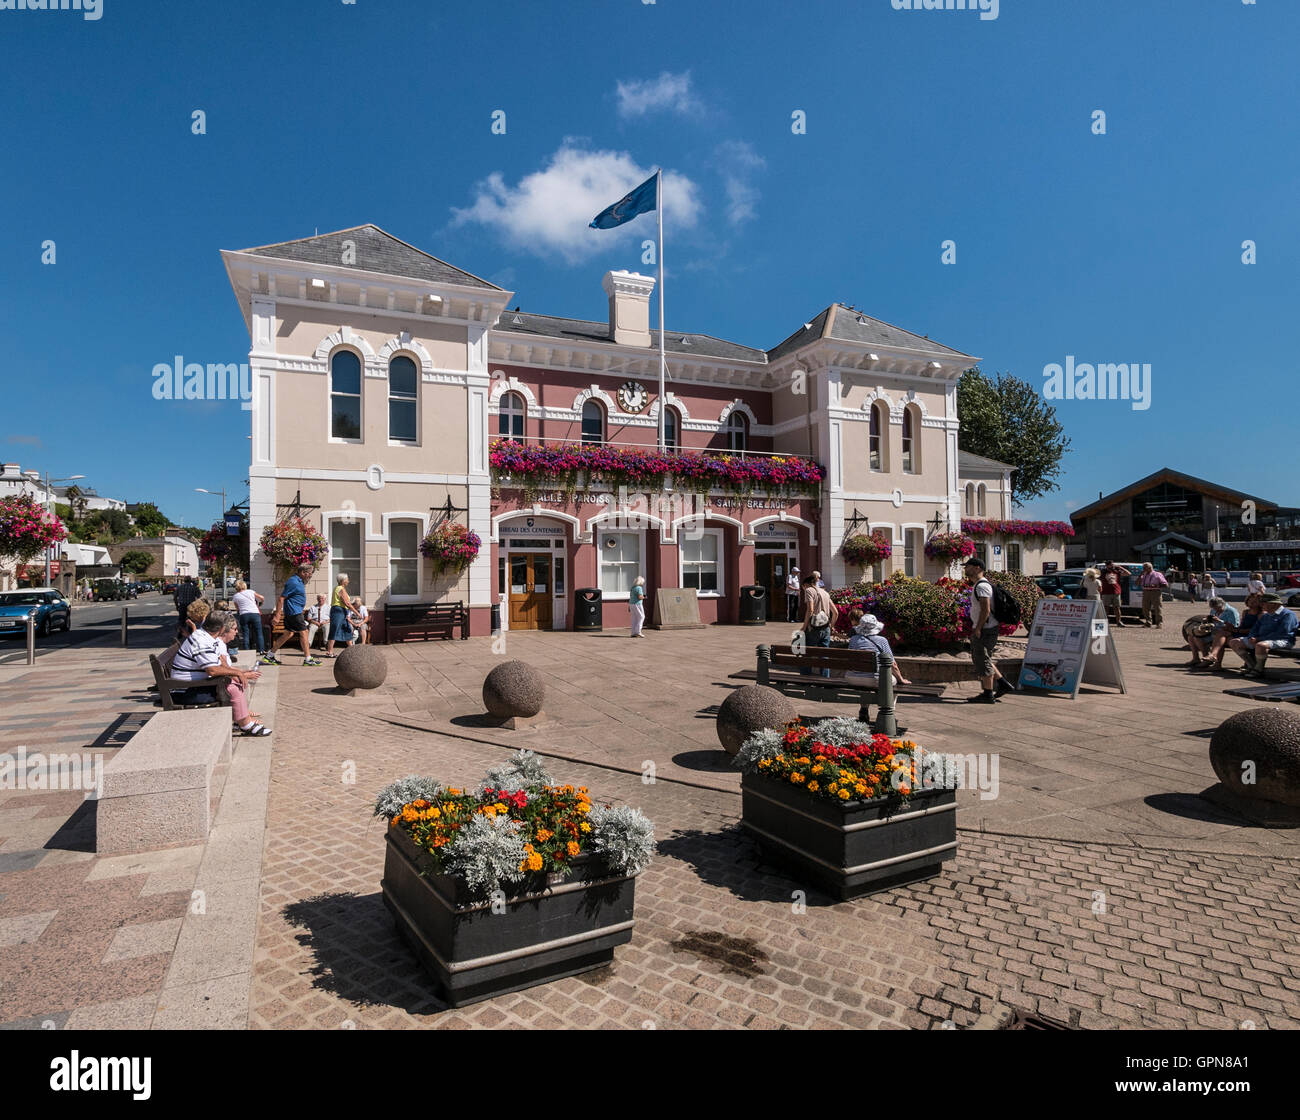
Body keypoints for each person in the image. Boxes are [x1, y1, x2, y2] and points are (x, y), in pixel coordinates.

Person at [170, 609, 271, 736]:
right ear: (222, 628)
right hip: (185, 691)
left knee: (231, 682)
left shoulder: (206, 637)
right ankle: (246, 725)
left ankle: (241, 720)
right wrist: (238, 674)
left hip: (191, 685)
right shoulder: (201, 641)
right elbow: (212, 669)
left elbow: (220, 660)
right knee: (231, 687)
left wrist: (237, 672)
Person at [964, 557, 1013, 703]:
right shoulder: (979, 585)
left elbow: (985, 610)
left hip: (985, 629)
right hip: (986, 628)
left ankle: (988, 693)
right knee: (984, 658)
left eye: (968, 566)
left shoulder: (982, 586)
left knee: (982, 659)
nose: (966, 569)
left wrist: (978, 628)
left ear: (978, 568)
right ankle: (1003, 684)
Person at [1230, 594, 1298, 678]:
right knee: (1234, 642)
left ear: (1274, 604)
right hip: (1262, 639)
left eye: (1264, 603)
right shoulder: (1266, 615)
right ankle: (1251, 665)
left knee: (1261, 645)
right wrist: (1252, 637)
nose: (1261, 605)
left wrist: (1259, 639)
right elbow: (1255, 628)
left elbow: (1282, 633)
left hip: (1283, 640)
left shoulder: (1288, 615)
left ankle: (1259, 669)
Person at [268, 564, 320, 666]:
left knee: (288, 634)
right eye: (309, 574)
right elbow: (281, 598)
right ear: (303, 572)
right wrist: (278, 615)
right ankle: (308, 659)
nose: (310, 576)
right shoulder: (293, 582)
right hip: (294, 612)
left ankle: (269, 655)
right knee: (304, 632)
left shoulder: (299, 581)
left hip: (294, 612)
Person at [846, 608, 911, 687]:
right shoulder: (882, 640)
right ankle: (889, 700)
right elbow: (892, 664)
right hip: (875, 679)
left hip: (852, 678)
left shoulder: (853, 639)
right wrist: (901, 679)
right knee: (894, 681)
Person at [799, 572, 837, 678]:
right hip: (825, 627)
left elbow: (810, 610)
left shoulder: (808, 590)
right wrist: (831, 626)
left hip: (813, 627)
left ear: (805, 585)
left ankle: (805, 679)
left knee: (807, 653)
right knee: (824, 655)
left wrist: (804, 626)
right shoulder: (825, 593)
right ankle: (825, 680)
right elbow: (835, 612)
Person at [1188, 597, 1239, 670]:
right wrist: (1207, 621)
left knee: (1218, 637)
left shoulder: (1231, 611)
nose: (1215, 610)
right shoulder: (1213, 610)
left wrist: (1220, 621)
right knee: (1193, 637)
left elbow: (1234, 627)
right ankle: (1201, 658)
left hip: (1226, 633)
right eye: (1214, 608)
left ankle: (1214, 660)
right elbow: (1212, 622)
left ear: (1222, 605)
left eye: (1217, 608)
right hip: (1214, 631)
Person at [231, 580, 268, 663]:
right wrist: (260, 604)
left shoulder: (235, 596)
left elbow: (237, 608)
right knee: (259, 632)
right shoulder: (250, 592)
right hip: (255, 613)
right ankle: (261, 650)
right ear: (244, 586)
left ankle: (247, 650)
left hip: (244, 614)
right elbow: (262, 597)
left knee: (246, 633)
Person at [326, 574, 356, 657]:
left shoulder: (339, 588)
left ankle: (352, 649)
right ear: (343, 581)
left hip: (342, 611)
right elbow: (347, 603)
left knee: (347, 628)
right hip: (338, 611)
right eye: (347, 579)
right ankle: (329, 652)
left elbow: (346, 603)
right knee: (334, 630)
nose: (348, 581)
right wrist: (357, 613)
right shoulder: (340, 589)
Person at [1139, 562, 1167, 628]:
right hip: (1146, 592)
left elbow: (1165, 584)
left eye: (1144, 568)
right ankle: (1148, 622)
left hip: (1155, 592)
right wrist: (1140, 575)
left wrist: (1156, 585)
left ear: (1149, 568)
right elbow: (1137, 583)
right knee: (1145, 608)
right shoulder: (1144, 575)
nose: (1143, 569)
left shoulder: (1157, 574)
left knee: (1157, 608)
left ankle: (1159, 623)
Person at [1100, 563, 1126, 628]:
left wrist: (1120, 567)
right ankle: (1105, 622)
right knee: (1106, 608)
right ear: (1107, 565)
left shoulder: (1116, 572)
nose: (1112, 566)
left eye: (1112, 565)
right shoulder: (1103, 572)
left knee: (1117, 608)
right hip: (1106, 592)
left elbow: (1128, 573)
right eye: (1110, 565)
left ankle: (1119, 622)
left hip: (1116, 592)